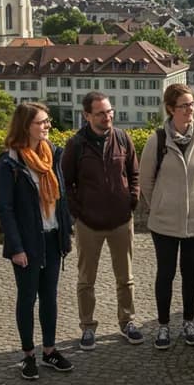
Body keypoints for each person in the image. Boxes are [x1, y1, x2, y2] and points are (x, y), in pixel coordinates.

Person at [0, 103, 74, 378]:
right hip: (27, 243)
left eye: (47, 122)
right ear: (25, 125)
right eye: (41, 122)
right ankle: (28, 354)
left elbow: (62, 196)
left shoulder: (52, 154)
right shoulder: (11, 162)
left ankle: (49, 351)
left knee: (49, 297)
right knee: (27, 298)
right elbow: (5, 209)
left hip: (52, 237)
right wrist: (16, 247)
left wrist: (66, 233)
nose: (47, 126)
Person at [61, 92, 143, 350]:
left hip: (121, 220)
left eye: (109, 112)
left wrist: (131, 201)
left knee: (125, 277)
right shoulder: (76, 144)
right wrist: (78, 213)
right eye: (100, 113)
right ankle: (87, 326)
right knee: (86, 280)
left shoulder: (122, 138)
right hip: (89, 223)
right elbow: (66, 183)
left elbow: (134, 173)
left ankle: (127, 321)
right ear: (87, 116)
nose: (107, 117)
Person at [139, 85, 194, 350]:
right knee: (166, 273)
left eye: (192, 104)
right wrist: (160, 204)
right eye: (184, 105)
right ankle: (162, 326)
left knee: (191, 273)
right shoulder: (158, 139)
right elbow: (146, 181)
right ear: (171, 109)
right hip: (165, 222)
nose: (190, 109)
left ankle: (189, 322)